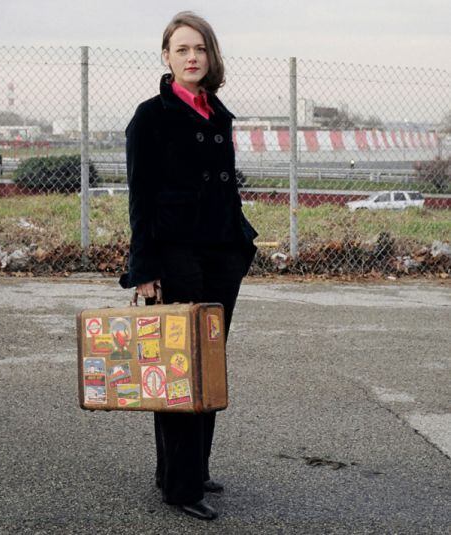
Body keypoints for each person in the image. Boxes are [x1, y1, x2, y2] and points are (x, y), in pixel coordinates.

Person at [119, 12, 258, 521]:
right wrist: (145, 268)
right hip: (175, 254)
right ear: (166, 57)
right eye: (181, 49)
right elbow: (141, 198)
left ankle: (191, 468)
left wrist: (241, 238)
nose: (192, 57)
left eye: (199, 48)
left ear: (210, 55)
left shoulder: (216, 112)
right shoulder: (151, 116)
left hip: (221, 255)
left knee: (209, 363)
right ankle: (179, 486)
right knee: (180, 367)